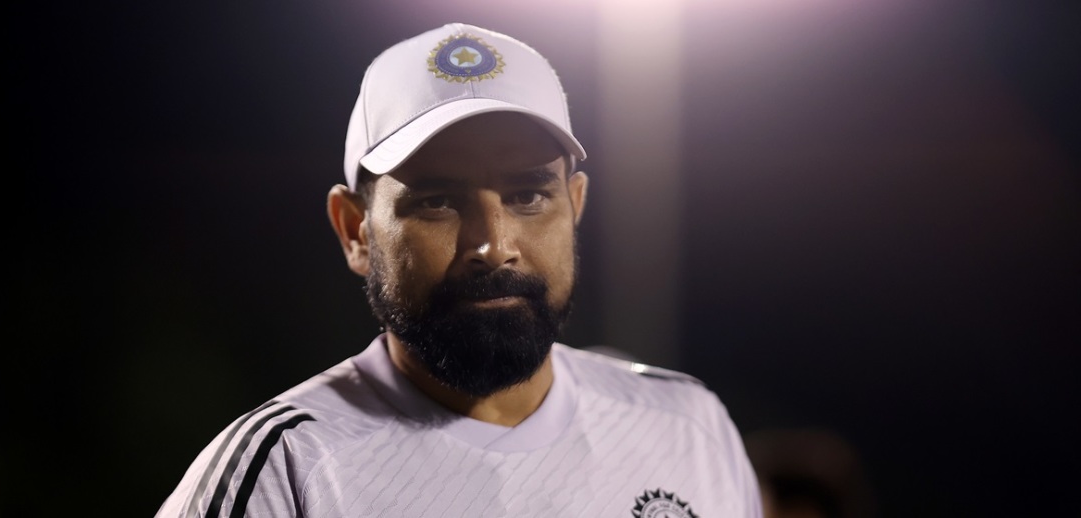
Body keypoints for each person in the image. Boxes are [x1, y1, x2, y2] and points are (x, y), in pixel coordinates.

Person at [155, 22, 761, 518]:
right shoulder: (283, 469)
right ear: (356, 230)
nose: (493, 246)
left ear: (574, 206)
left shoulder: (687, 428)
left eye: (529, 196)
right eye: (437, 201)